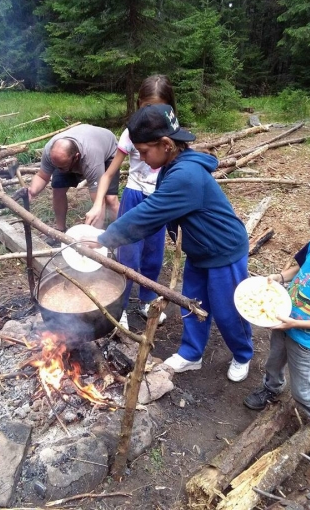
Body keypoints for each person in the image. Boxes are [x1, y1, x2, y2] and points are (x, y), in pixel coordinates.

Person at [81, 103, 253, 382]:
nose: (142, 157)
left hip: (224, 251)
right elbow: (156, 214)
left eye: (145, 152)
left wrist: (103, 239)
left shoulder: (185, 176)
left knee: (227, 309)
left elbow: (149, 214)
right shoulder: (171, 166)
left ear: (166, 144)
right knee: (192, 303)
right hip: (199, 251)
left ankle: (243, 354)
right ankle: (191, 354)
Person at [244, 193, 310, 465]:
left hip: (306, 336)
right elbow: (298, 265)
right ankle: (272, 388)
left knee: (304, 389)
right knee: (273, 360)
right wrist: (279, 277)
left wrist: (297, 323)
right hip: (283, 318)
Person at [85, 75, 177, 329]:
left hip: (159, 199)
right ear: (138, 104)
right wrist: (97, 204)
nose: (151, 112)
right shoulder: (131, 133)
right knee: (128, 256)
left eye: (158, 107)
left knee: (153, 255)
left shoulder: (171, 133)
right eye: (146, 106)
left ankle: (146, 301)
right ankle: (120, 306)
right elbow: (108, 173)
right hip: (135, 196)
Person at [28, 124, 120, 242]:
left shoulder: (91, 161)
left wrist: (92, 238)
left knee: (109, 199)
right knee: (58, 189)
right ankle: (60, 231)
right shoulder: (53, 152)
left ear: (76, 157)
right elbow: (42, 176)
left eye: (61, 167)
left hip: (107, 151)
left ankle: (122, 236)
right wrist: (32, 191)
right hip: (74, 154)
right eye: (55, 166)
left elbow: (98, 203)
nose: (57, 170)